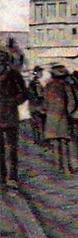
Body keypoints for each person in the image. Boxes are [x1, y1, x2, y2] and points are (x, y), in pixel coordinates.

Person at [0, 46, 28, 189]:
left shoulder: (14, 75)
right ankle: (2, 176)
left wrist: (12, 102)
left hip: (10, 116)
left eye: (2, 58)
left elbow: (24, 93)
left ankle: (12, 177)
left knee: (12, 148)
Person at [43, 64, 74, 176]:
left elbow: (45, 103)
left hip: (51, 117)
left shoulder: (48, 86)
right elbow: (71, 102)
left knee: (55, 143)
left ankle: (57, 166)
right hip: (62, 116)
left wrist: (46, 111)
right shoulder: (66, 86)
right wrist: (70, 113)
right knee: (64, 143)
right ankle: (66, 168)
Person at [27, 66, 46, 145]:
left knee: (38, 124)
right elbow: (34, 96)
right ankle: (39, 140)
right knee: (38, 124)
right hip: (36, 107)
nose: (41, 73)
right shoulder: (34, 84)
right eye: (39, 72)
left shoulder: (36, 83)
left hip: (36, 107)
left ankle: (38, 140)